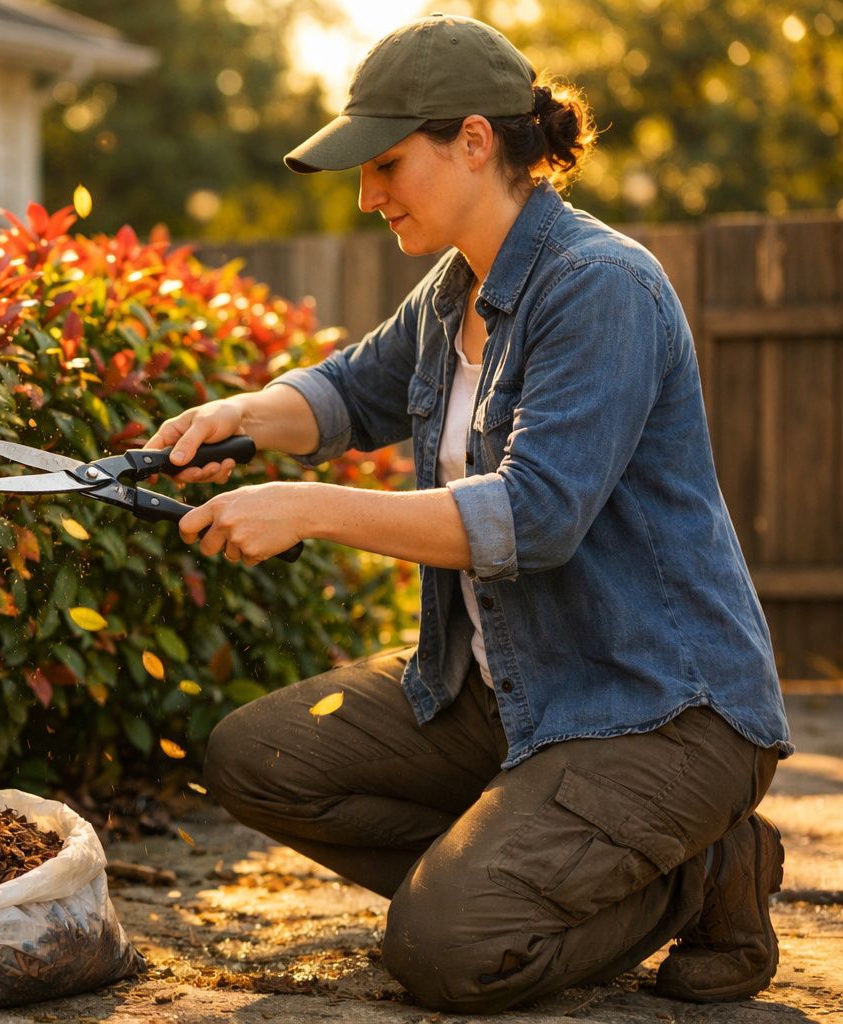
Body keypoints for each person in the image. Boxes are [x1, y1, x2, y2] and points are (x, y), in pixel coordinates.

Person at [145, 13, 794, 1013]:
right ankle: (532, 863)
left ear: (476, 142)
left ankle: (698, 869)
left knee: (449, 950)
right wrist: (231, 418)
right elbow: (342, 395)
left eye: (388, 165)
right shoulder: (457, 292)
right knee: (256, 756)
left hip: (660, 712)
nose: (368, 196)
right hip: (513, 699)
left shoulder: (601, 286)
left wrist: (306, 508)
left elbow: (534, 517)